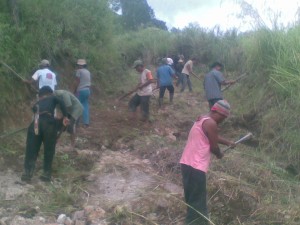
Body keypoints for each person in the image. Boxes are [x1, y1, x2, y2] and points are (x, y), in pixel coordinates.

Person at [180, 100, 236, 225]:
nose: (223, 120)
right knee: (198, 201)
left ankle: (192, 219)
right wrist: (219, 154)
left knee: (191, 196)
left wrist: (228, 142)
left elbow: (212, 136)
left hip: (186, 163)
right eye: (224, 117)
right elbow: (214, 146)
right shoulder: (211, 123)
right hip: (196, 166)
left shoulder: (203, 119)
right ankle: (195, 222)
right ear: (219, 113)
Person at [21, 86, 69, 182]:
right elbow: (62, 102)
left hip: (35, 124)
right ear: (49, 93)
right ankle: (46, 175)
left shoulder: (37, 103)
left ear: (41, 95)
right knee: (49, 150)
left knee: (31, 150)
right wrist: (65, 116)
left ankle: (27, 173)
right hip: (48, 124)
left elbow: (34, 110)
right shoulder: (52, 97)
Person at [73, 59, 91, 128]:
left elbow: (77, 82)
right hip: (87, 90)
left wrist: (74, 90)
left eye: (78, 65)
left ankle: (75, 122)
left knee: (77, 105)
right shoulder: (88, 72)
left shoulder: (79, 71)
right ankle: (86, 123)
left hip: (81, 91)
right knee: (85, 105)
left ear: (79, 65)